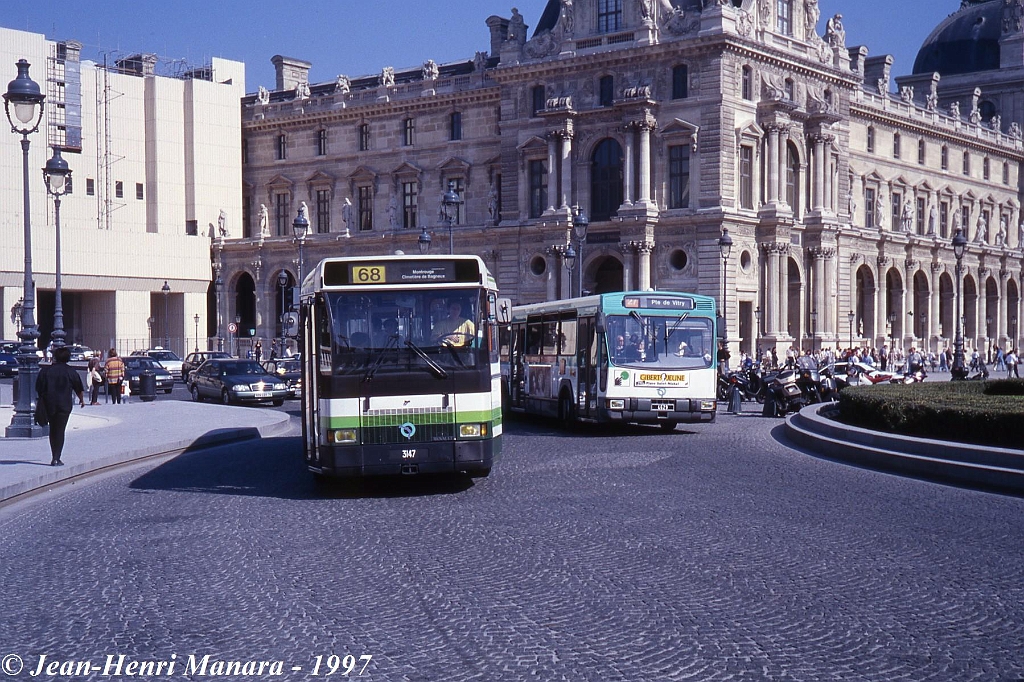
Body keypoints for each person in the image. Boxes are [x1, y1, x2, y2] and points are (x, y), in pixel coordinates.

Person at [36, 345, 85, 466]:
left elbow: (39, 388)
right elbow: (78, 387)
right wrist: (82, 400)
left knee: (53, 429)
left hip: (49, 403)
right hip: (64, 404)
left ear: (55, 357)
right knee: (60, 430)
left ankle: (54, 455)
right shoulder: (70, 371)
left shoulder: (46, 371)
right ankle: (56, 458)